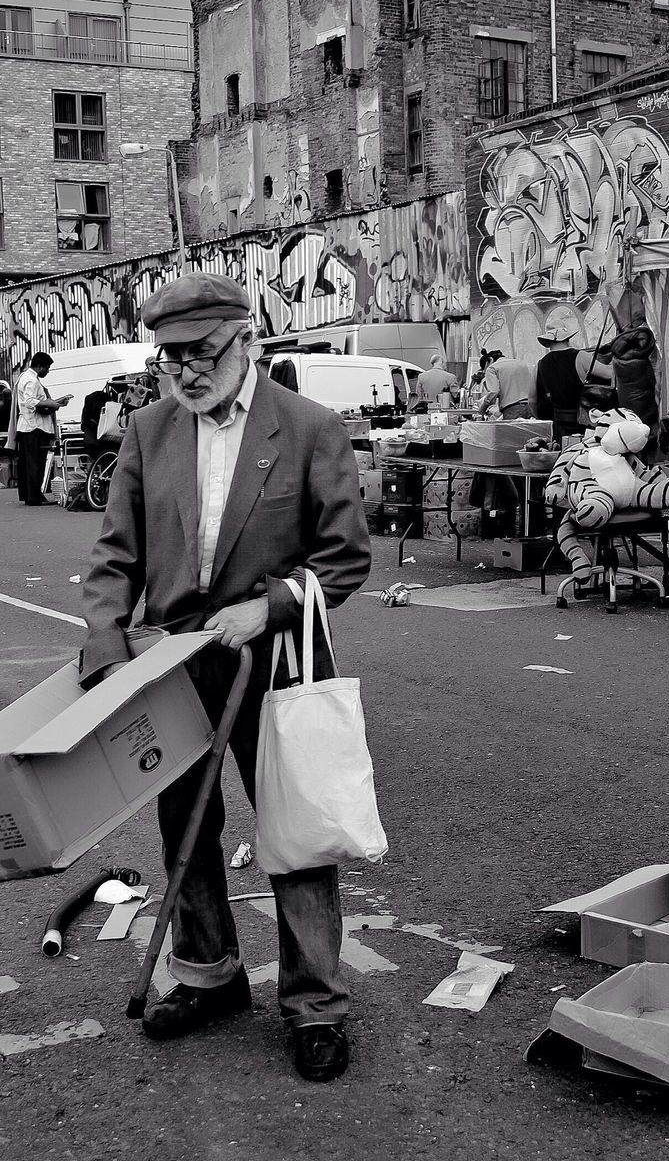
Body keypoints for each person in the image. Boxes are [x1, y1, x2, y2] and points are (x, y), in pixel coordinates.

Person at [78, 272, 371, 1081]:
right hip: (176, 663)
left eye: (201, 353)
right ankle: (210, 976)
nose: (186, 372)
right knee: (185, 827)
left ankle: (316, 1005)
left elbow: (345, 560)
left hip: (277, 660)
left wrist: (268, 607)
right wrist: (105, 645)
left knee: (296, 833)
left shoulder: (311, 427)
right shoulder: (147, 430)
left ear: (247, 339)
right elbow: (115, 556)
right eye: (170, 358)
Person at [535, 323, 614, 441]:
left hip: (559, 424)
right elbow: (609, 374)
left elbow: (532, 398)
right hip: (583, 422)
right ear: (567, 338)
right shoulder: (580, 356)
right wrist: (615, 361)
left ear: (548, 342)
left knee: (564, 454)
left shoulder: (540, 364)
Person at [15, 352, 71, 505]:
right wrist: (52, 404)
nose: (48, 371)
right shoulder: (31, 381)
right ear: (39, 366)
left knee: (29, 463)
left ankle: (30, 495)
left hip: (28, 426)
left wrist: (55, 403)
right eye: (47, 368)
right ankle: (35, 496)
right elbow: (30, 401)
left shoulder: (25, 377)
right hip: (34, 426)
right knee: (35, 463)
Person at [476, 350, 534, 420]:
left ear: (490, 360)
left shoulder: (492, 368)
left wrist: (482, 408)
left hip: (513, 409)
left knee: (511, 431)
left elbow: (493, 392)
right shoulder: (521, 364)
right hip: (531, 408)